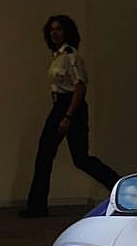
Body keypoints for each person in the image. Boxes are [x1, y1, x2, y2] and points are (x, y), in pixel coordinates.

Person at [20, 15, 121, 218]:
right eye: (52, 30)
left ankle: (119, 186)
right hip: (59, 105)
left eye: (59, 29)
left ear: (67, 32)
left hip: (70, 107)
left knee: (80, 158)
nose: (54, 33)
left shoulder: (71, 56)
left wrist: (68, 116)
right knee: (46, 154)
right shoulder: (58, 55)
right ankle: (36, 206)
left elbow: (80, 87)